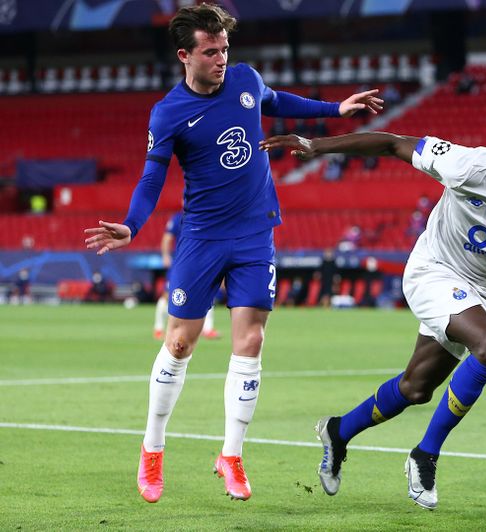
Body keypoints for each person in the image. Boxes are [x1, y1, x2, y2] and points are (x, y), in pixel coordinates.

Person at [82, 4, 382, 504]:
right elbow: (152, 178)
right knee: (180, 344)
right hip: (202, 237)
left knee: (252, 340)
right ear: (185, 56)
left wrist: (335, 109)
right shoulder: (169, 112)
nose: (221, 58)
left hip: (255, 232)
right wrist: (132, 225)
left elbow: (276, 99)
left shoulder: (244, 79)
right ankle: (152, 449)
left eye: (224, 49)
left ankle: (232, 455)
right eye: (210, 51)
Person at [260, 129, 486, 510]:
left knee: (416, 387)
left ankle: (338, 431)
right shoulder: (468, 166)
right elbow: (393, 143)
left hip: (481, 289)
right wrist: (317, 145)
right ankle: (425, 455)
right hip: (433, 270)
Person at [154, 210, 220, 340]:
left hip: (202, 263)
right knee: (167, 295)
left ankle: (207, 329)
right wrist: (165, 255)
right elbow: (167, 237)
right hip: (181, 262)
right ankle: (158, 329)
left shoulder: (207, 215)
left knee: (208, 293)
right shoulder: (178, 218)